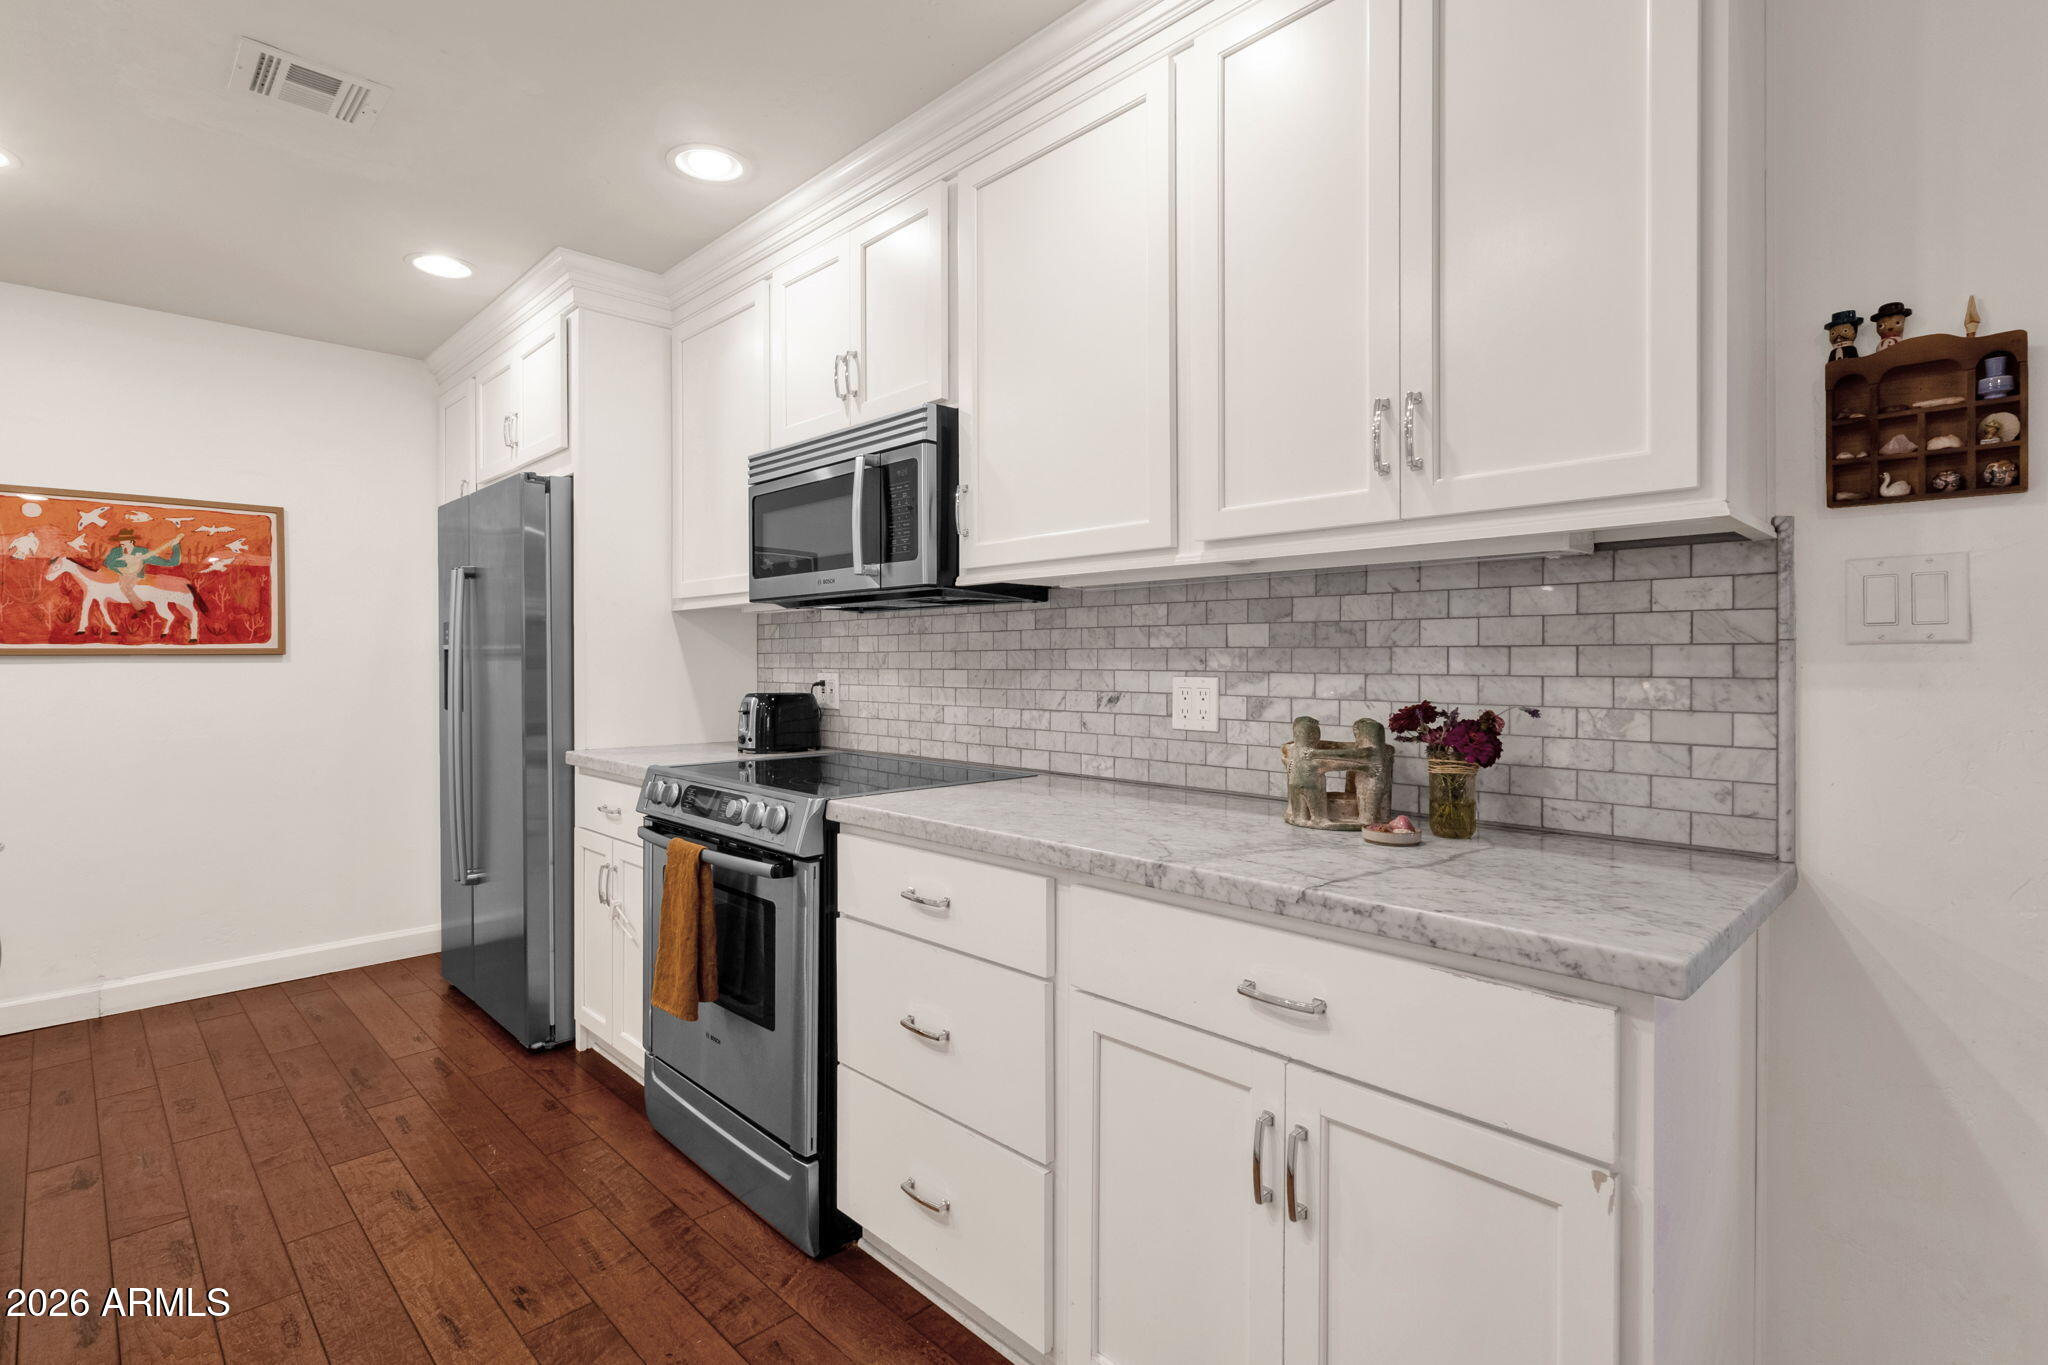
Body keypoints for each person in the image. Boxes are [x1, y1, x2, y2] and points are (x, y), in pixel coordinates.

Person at [104, 528, 184, 606]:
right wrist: (122, 565)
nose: (124, 547)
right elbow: (107, 563)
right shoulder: (116, 551)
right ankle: (141, 607)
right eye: (122, 545)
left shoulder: (142, 552)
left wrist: (175, 545)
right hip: (122, 572)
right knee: (124, 589)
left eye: (126, 544)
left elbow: (172, 562)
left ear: (132, 542)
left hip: (135, 573)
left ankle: (141, 609)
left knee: (126, 588)